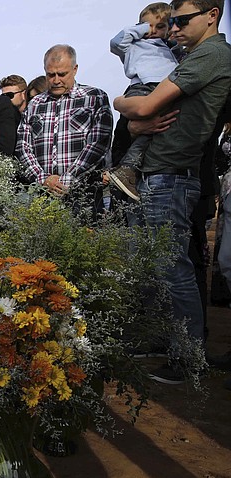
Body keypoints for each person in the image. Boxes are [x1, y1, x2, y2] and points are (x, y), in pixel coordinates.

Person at [114, 0, 231, 383]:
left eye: (181, 20)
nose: (173, 28)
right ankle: (165, 341)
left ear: (212, 15)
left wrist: (121, 103)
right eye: (172, 22)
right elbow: (141, 120)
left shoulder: (212, 55)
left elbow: (145, 105)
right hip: (158, 173)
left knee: (173, 269)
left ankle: (187, 358)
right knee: (155, 266)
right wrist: (137, 123)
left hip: (173, 176)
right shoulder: (190, 56)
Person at [105, 2, 180, 201]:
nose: (153, 31)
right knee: (148, 125)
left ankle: (129, 169)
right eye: (148, 26)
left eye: (160, 27)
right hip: (143, 87)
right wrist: (142, 30)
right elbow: (116, 42)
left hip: (164, 88)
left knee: (156, 128)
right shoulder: (133, 45)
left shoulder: (170, 48)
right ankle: (127, 167)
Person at [16, 45, 113, 198]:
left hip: (85, 193)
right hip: (43, 195)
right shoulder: (34, 104)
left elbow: (98, 144)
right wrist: (43, 179)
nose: (56, 80)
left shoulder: (95, 98)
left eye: (62, 74)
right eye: (50, 75)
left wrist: (67, 180)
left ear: (75, 69)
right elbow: (23, 147)